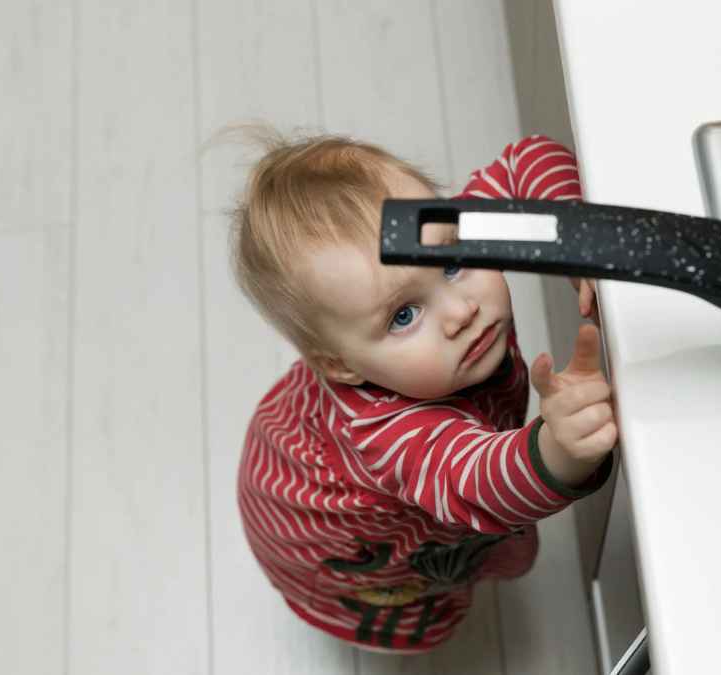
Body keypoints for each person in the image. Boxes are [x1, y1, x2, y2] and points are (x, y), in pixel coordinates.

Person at [230, 130, 615, 653]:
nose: (461, 312)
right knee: (422, 591)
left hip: (301, 435)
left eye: (453, 263)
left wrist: (574, 237)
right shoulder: (386, 434)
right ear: (340, 366)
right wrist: (559, 450)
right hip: (338, 540)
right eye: (404, 316)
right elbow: (477, 479)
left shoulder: (434, 235)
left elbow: (530, 160)